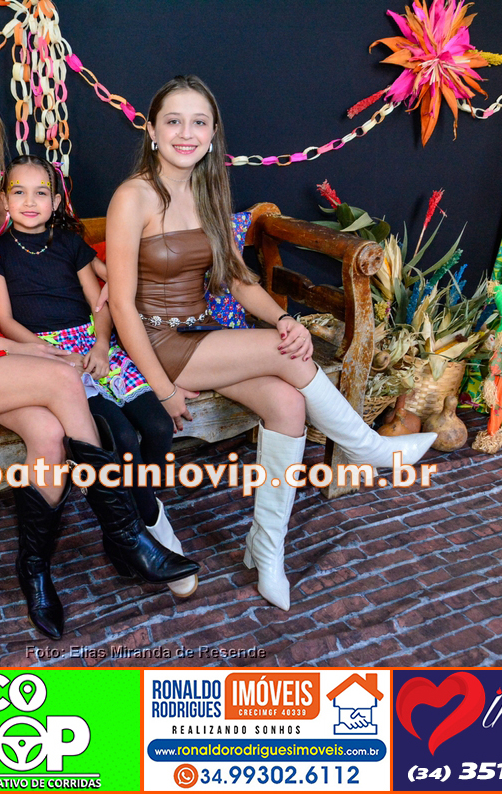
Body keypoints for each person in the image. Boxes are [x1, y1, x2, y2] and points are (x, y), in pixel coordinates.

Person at [0, 71, 197, 641]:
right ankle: (125, 533)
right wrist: (24, 348)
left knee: (49, 434)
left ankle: (35, 570)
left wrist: (115, 287)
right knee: (64, 382)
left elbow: (45, 245)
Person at [105, 75, 436, 611]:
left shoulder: (207, 192)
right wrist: (162, 388)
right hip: (156, 341)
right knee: (285, 353)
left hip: (202, 333)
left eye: (198, 122)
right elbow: (121, 307)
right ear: (151, 130)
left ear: (213, 133)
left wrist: (284, 318)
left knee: (287, 405)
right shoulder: (133, 196)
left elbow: (238, 280)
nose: (186, 133)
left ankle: (267, 550)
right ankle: (368, 447)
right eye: (173, 121)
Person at [0, 154, 197, 597]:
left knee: (159, 426)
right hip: (46, 353)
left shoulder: (70, 243)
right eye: (19, 192)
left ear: (56, 201)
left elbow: (100, 299)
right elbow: (5, 320)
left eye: (41, 193)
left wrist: (102, 345)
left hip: (93, 344)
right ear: (4, 199)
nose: (30, 201)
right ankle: (147, 529)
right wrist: (47, 353)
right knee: (119, 436)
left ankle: (140, 513)